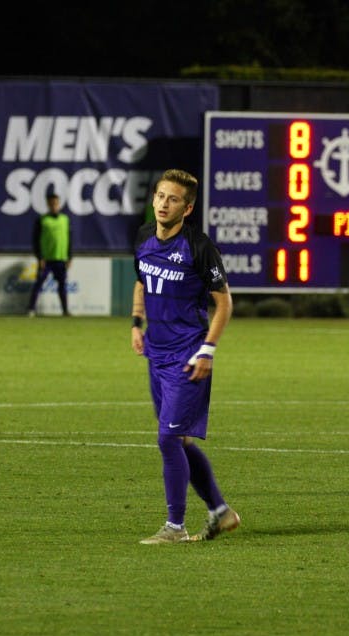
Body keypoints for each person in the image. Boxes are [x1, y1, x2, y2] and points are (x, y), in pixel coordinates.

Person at [131, 169, 240, 545]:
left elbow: (224, 303)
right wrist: (136, 323)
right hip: (156, 354)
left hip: (188, 356)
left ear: (187, 208)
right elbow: (141, 281)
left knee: (168, 439)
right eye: (160, 196)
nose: (164, 204)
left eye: (173, 199)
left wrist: (208, 350)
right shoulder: (144, 237)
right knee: (180, 441)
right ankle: (221, 512)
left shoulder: (199, 247)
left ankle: (174, 527)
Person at [26, 192, 72, 316]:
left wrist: (69, 257)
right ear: (48, 205)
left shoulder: (65, 220)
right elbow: (36, 240)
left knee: (62, 285)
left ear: (59, 204)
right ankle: (31, 309)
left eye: (56, 204)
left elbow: (69, 239)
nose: (54, 206)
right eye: (52, 204)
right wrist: (40, 257)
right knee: (38, 284)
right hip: (46, 260)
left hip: (61, 259)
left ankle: (65, 310)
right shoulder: (42, 220)